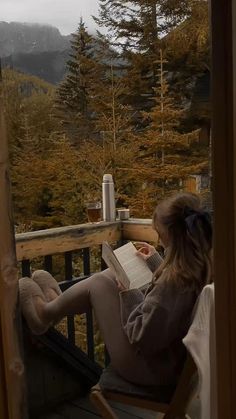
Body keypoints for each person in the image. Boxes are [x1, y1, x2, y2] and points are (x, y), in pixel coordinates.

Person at [19, 192, 212, 387]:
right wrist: (156, 263)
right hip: (173, 363)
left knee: (99, 283)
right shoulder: (202, 266)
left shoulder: (173, 283)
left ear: (173, 237)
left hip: (152, 370)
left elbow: (142, 336)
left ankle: (43, 315)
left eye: (160, 236)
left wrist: (128, 294)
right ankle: (56, 307)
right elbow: (170, 306)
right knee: (111, 275)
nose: (159, 242)